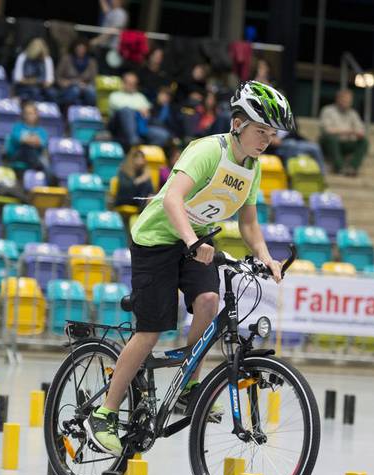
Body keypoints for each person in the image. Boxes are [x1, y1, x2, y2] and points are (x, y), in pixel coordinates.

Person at [84, 80, 294, 455]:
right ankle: (105, 413)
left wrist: (265, 257)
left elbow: (248, 224)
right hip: (157, 240)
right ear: (238, 124)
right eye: (260, 130)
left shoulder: (253, 168)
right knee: (150, 332)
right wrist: (193, 243)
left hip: (195, 241)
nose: (266, 140)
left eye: (270, 133)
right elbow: (172, 200)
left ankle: (187, 389)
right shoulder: (206, 151)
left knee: (210, 300)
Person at [108, 72, 170, 149]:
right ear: (123, 83)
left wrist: (147, 112)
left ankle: (146, 154)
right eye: (129, 83)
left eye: (134, 83)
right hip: (120, 128)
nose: (132, 86)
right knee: (127, 111)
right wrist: (138, 109)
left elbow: (148, 110)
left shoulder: (140, 97)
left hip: (140, 126)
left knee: (163, 135)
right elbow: (122, 109)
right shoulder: (115, 95)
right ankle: (134, 141)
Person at [318, 88, 368, 176]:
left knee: (364, 141)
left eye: (349, 101)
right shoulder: (328, 110)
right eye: (344, 100)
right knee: (331, 138)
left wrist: (359, 133)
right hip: (328, 143)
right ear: (338, 99)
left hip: (346, 142)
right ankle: (340, 168)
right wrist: (349, 131)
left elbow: (360, 130)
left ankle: (352, 168)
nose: (347, 103)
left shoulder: (353, 113)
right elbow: (327, 130)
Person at [4, 101, 50, 175]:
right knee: (27, 147)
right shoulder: (18, 127)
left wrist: (28, 139)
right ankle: (40, 168)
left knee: (32, 151)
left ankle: (39, 168)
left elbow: (41, 143)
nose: (29, 116)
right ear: (23, 115)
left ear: (36, 115)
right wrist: (32, 140)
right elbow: (20, 140)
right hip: (18, 156)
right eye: (27, 113)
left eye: (32, 113)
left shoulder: (42, 131)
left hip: (35, 156)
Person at [55, 39, 98, 106]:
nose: (81, 51)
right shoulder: (66, 59)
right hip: (70, 86)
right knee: (75, 90)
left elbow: (94, 79)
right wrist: (66, 83)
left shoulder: (91, 62)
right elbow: (58, 76)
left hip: (85, 86)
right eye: (79, 48)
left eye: (83, 49)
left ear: (86, 49)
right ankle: (68, 112)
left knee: (91, 91)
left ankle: (90, 111)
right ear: (74, 49)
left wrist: (86, 85)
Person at [13, 37, 55, 103]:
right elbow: (18, 79)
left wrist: (31, 81)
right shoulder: (22, 57)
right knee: (34, 91)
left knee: (52, 93)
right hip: (24, 87)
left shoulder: (47, 59)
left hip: (42, 89)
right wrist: (36, 81)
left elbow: (49, 81)